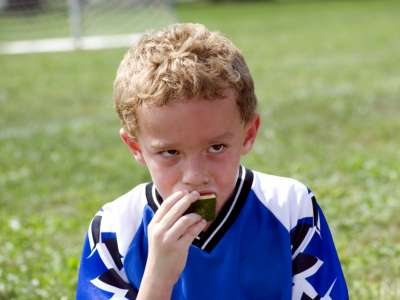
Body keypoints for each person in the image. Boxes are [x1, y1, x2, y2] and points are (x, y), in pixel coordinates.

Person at [76, 23, 348, 300]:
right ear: (136, 147)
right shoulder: (114, 229)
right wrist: (158, 278)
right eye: (170, 153)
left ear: (248, 134)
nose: (195, 176)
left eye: (216, 147)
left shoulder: (291, 208)